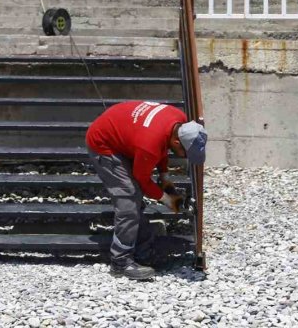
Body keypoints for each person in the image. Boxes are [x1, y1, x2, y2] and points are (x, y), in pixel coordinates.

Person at [86, 100, 208, 281]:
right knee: (128, 199)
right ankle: (120, 262)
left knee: (134, 199)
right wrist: (167, 199)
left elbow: (162, 145)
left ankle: (143, 251)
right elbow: (143, 180)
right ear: (177, 141)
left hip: (123, 131)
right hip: (104, 144)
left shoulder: (178, 119)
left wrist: (164, 174)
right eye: (185, 153)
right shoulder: (149, 145)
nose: (185, 158)